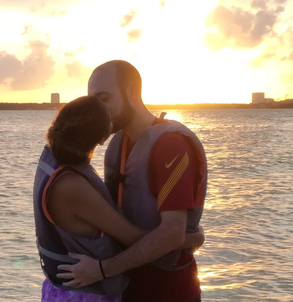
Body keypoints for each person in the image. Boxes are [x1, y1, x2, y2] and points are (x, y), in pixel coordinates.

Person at [57, 61, 208, 302]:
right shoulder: (116, 144)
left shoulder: (172, 146)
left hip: (168, 290)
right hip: (127, 287)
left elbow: (171, 233)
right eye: (93, 102)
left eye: (104, 99)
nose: (96, 111)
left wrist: (102, 269)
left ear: (131, 92)